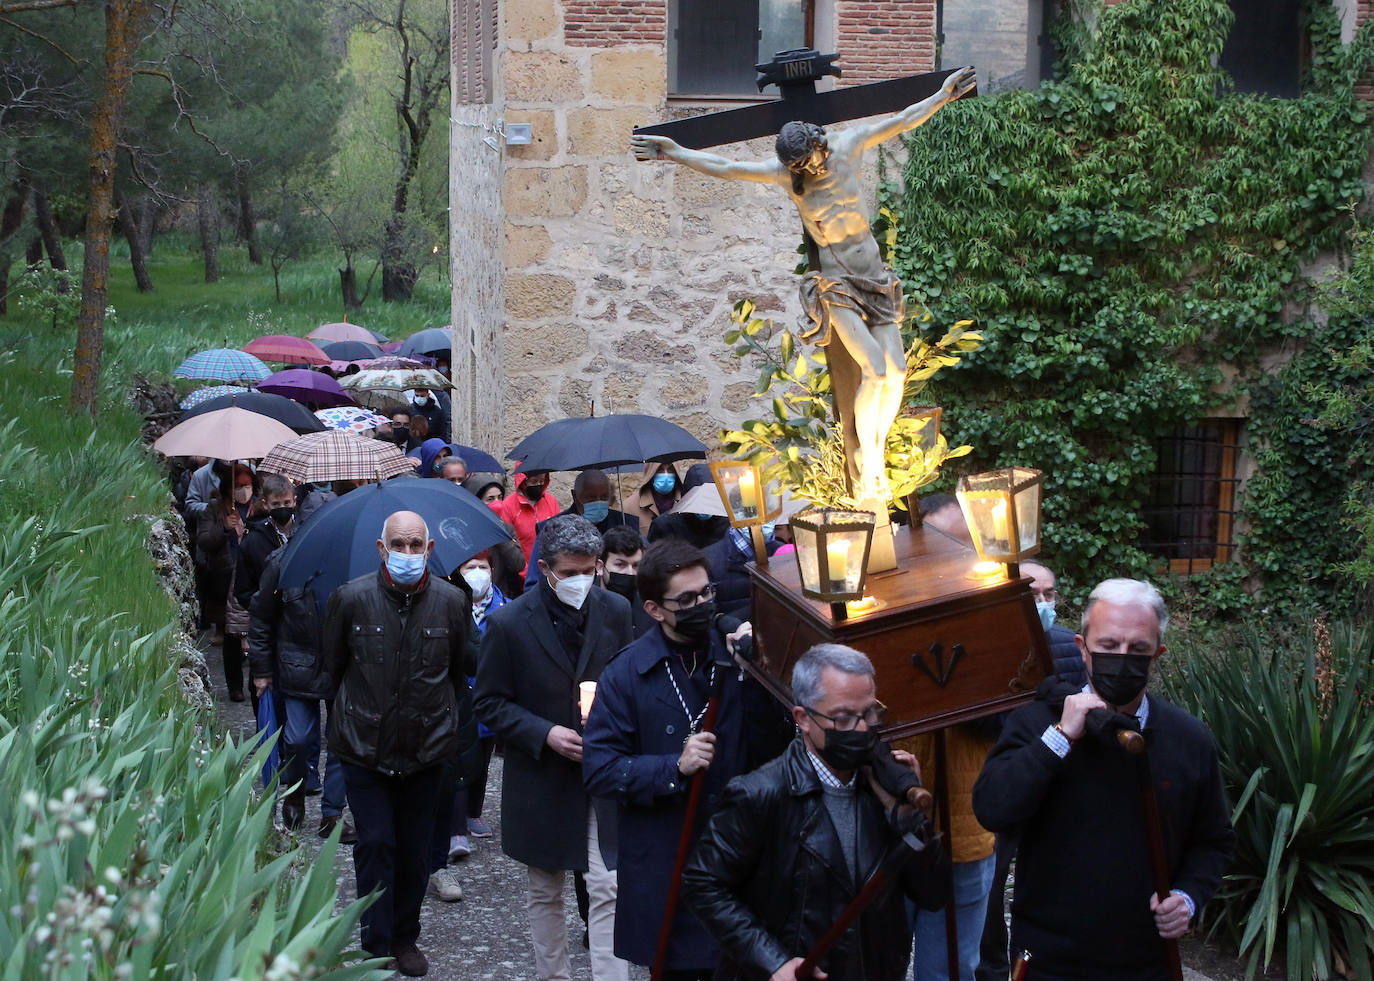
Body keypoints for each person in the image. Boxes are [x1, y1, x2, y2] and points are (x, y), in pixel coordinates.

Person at [633, 66, 976, 506]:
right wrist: (676, 152)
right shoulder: (788, 176)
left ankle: (875, 450)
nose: (809, 171)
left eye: (811, 161)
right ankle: (870, 460)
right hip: (837, 284)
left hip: (875, 277)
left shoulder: (848, 146)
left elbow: (902, 119)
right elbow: (728, 167)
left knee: (896, 372)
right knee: (874, 370)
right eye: (800, 168)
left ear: (820, 144)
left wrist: (943, 95)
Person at [972, 579, 1235, 981]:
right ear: (1082, 647)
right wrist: (1060, 738)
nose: (1122, 658)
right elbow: (993, 808)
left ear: (1158, 655)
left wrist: (1187, 896)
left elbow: (1213, 840)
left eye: (1138, 649)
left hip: (1146, 959)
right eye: (1109, 645)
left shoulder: (1187, 738)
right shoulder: (1037, 725)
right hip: (1048, 960)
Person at [582, 540, 789, 979]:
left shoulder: (737, 656)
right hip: (667, 859)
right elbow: (600, 769)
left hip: (740, 857)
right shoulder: (626, 673)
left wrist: (756, 675)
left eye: (707, 592)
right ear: (655, 609)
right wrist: (671, 767)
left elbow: (778, 746)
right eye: (687, 600)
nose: (702, 605)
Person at [682, 643, 944, 981]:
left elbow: (934, 893)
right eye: (844, 718)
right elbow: (703, 883)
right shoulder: (759, 793)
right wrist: (772, 960)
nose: (862, 729)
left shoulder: (884, 789)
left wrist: (909, 819)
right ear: (803, 718)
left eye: (869, 714)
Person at [474, 514, 634, 981]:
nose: (581, 581)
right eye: (569, 573)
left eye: (589, 570)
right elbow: (488, 702)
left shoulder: (616, 610)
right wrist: (543, 732)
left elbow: (629, 681)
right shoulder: (507, 623)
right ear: (544, 568)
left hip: (600, 769)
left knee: (608, 885)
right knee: (546, 889)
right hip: (540, 775)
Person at [323, 510, 477, 976]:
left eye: (415, 545)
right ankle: (374, 943)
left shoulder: (451, 601)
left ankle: (404, 936)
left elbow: (459, 669)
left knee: (414, 849)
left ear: (429, 549)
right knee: (375, 844)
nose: (407, 553)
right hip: (363, 746)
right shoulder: (351, 599)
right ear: (381, 548)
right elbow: (334, 668)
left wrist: (442, 724)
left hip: (426, 747)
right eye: (398, 544)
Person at [975, 559, 1083, 981]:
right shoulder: (985, 648)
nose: (1043, 603)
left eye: (1049, 594)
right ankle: (991, 967)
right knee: (990, 881)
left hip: (1056, 780)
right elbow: (975, 720)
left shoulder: (1070, 646)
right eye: (1032, 594)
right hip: (1005, 777)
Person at [246, 538, 353, 842]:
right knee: (297, 738)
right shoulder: (282, 563)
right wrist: (262, 671)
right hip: (296, 666)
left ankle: (332, 813)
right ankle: (294, 792)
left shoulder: (354, 561)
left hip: (342, 666)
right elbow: (261, 618)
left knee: (342, 741)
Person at [197, 463, 261, 703]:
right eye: (239, 486)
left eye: (248, 485)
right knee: (231, 633)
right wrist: (223, 528)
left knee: (256, 630)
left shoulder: (259, 507)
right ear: (228, 488)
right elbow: (204, 540)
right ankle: (234, 685)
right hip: (225, 576)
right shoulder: (215, 508)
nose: (244, 490)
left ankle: (256, 681)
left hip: (254, 575)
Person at [525, 469, 639, 589]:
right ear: (575, 496)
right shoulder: (551, 530)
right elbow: (533, 584)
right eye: (591, 498)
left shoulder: (626, 523)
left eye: (604, 497)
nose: (598, 503)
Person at [496, 469, 560, 576]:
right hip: (520, 573)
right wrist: (527, 574)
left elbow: (558, 537)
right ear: (523, 481)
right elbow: (509, 545)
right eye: (534, 481)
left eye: (542, 481)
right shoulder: (508, 506)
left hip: (549, 572)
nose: (539, 485)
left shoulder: (551, 501)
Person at [599, 525, 653, 637]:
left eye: (636, 565)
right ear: (600, 567)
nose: (630, 572)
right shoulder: (586, 604)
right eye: (620, 565)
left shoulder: (650, 605)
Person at [629, 462, 684, 535]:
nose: (666, 475)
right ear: (651, 474)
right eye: (659, 470)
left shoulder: (687, 502)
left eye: (670, 470)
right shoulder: (630, 507)